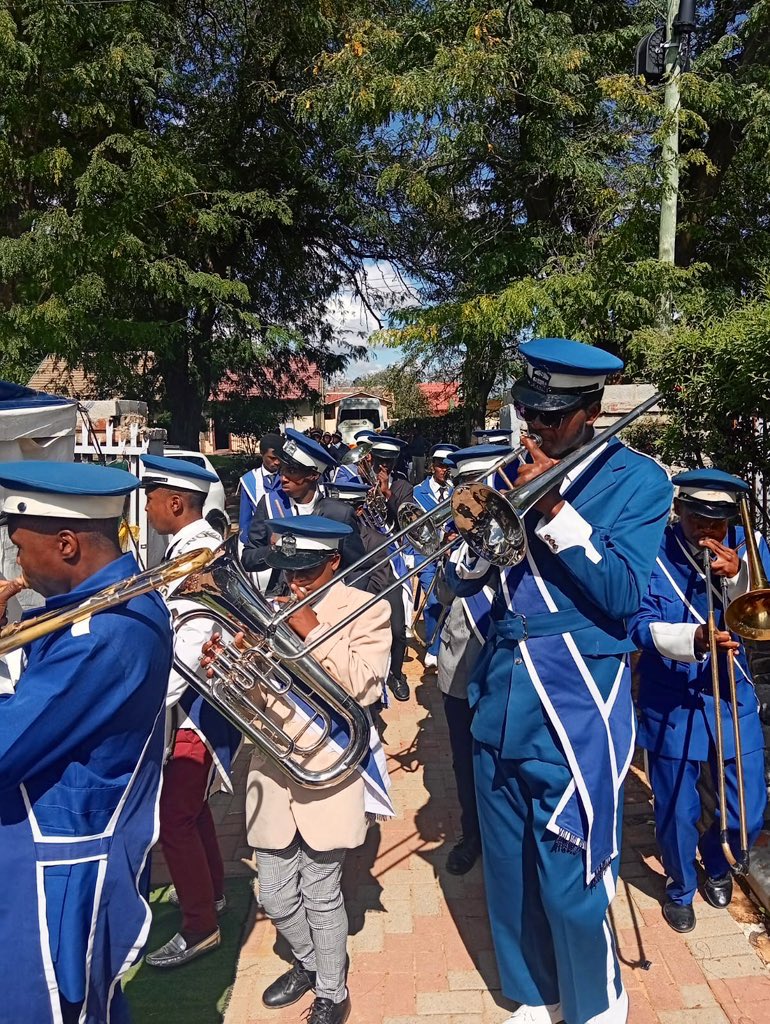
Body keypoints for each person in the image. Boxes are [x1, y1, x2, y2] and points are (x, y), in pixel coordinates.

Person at [447, 338, 673, 1024]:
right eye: (528, 411)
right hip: (502, 691)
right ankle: (534, 991)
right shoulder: (508, 468)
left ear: (591, 410)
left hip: (574, 699)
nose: (535, 427)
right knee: (510, 864)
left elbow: (623, 593)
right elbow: (467, 579)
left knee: (571, 868)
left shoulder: (640, 481)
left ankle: (596, 1002)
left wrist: (549, 512)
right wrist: (471, 541)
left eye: (552, 416)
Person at [0, 461, 173, 1024]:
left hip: (57, 870)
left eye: (21, 548)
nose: (18, 565)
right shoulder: (103, 611)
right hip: (59, 853)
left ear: (67, 543)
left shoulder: (104, 633)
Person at [204, 516, 393, 1024]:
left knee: (321, 891)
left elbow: (365, 687)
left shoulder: (366, 610)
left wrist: (311, 631)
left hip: (328, 771)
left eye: (305, 571)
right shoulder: (269, 609)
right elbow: (253, 701)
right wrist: (229, 665)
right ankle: (310, 964)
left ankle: (333, 990)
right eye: (287, 571)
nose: (293, 583)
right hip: (274, 770)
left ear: (332, 563)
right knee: (277, 894)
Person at [629, 468, 768, 933]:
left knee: (749, 805)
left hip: (733, 695)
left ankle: (716, 858)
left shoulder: (750, 550)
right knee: (675, 810)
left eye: (718, 522)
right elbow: (638, 626)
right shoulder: (652, 552)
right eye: (697, 520)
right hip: (672, 698)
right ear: (680, 511)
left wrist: (737, 579)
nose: (708, 531)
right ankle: (680, 887)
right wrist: (695, 638)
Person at [138, 455, 242, 968]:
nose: (149, 506)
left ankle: (201, 927)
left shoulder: (195, 554)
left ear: (175, 502)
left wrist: (150, 704)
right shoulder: (191, 547)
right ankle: (213, 895)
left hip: (200, 706)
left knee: (174, 817)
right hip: (195, 703)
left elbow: (194, 642)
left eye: (152, 497)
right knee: (190, 810)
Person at [434, 443, 514, 875]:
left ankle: (505, 835)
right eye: (471, 490)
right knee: (464, 755)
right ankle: (472, 834)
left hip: (509, 656)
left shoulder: (528, 526)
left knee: (507, 753)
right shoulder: (456, 536)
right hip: (464, 656)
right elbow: (450, 590)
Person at [241, 429, 367, 593]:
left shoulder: (338, 513)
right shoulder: (269, 504)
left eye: (292, 471)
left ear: (313, 475)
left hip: (328, 603)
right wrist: (273, 549)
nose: (283, 478)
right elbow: (248, 559)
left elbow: (358, 568)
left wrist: (343, 604)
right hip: (283, 598)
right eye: (282, 470)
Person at [328, 478, 409, 704]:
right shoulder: (327, 537)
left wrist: (351, 602)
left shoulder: (376, 539)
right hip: (343, 595)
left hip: (378, 590)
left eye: (348, 511)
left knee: (397, 631)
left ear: (359, 509)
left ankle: (396, 674)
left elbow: (380, 580)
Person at [365, 434, 415, 701]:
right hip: (361, 563)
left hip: (391, 563)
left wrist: (388, 496)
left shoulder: (404, 486)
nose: (384, 466)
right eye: (380, 460)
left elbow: (408, 522)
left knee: (397, 628)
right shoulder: (356, 480)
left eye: (389, 461)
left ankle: (396, 673)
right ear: (371, 458)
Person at [410, 443, 459, 671]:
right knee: (432, 602)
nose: (444, 470)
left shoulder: (455, 492)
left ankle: (444, 647)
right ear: (432, 467)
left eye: (447, 466)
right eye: (440, 465)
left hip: (449, 556)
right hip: (426, 555)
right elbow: (413, 526)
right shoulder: (418, 491)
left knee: (448, 601)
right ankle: (432, 648)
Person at [238, 433, 283, 543]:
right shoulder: (249, 480)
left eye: (279, 458)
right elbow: (245, 518)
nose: (276, 462)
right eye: (272, 458)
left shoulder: (288, 477)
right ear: (262, 454)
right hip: (259, 539)